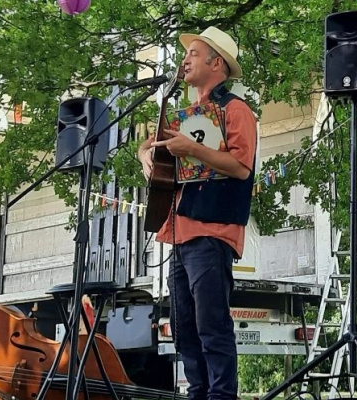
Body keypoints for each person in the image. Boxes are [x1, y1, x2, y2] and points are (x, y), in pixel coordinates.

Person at [138, 26, 257, 400]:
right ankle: (199, 393)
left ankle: (222, 396)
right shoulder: (188, 114)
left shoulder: (236, 111)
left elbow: (241, 167)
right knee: (184, 328)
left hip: (212, 232)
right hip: (180, 233)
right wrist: (146, 155)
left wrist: (193, 149)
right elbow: (149, 142)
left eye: (194, 52)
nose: (185, 59)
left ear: (215, 62)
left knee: (211, 325)